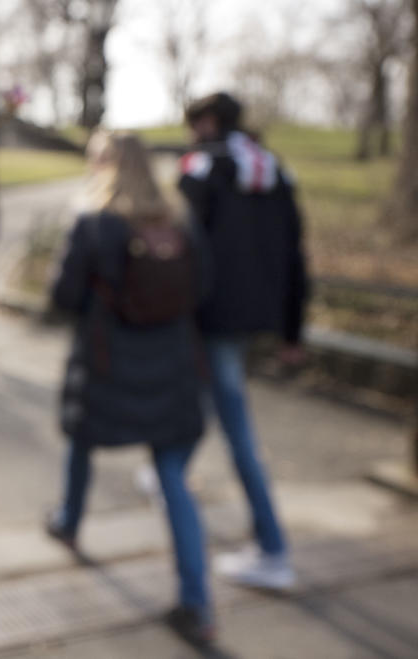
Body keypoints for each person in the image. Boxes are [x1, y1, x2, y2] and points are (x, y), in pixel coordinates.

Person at [48, 131, 214, 645]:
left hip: (107, 363)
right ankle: (197, 604)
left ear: (103, 165)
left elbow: (64, 293)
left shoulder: (95, 221)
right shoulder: (179, 219)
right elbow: (205, 286)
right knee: (171, 479)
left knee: (82, 440)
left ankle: (70, 521)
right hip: (173, 366)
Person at [179, 92, 308, 590]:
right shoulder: (275, 171)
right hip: (256, 318)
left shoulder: (200, 170)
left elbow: (184, 248)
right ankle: (172, 470)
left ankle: (273, 548)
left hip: (209, 317)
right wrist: (292, 327)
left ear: (207, 122)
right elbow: (296, 255)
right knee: (214, 399)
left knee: (236, 427)